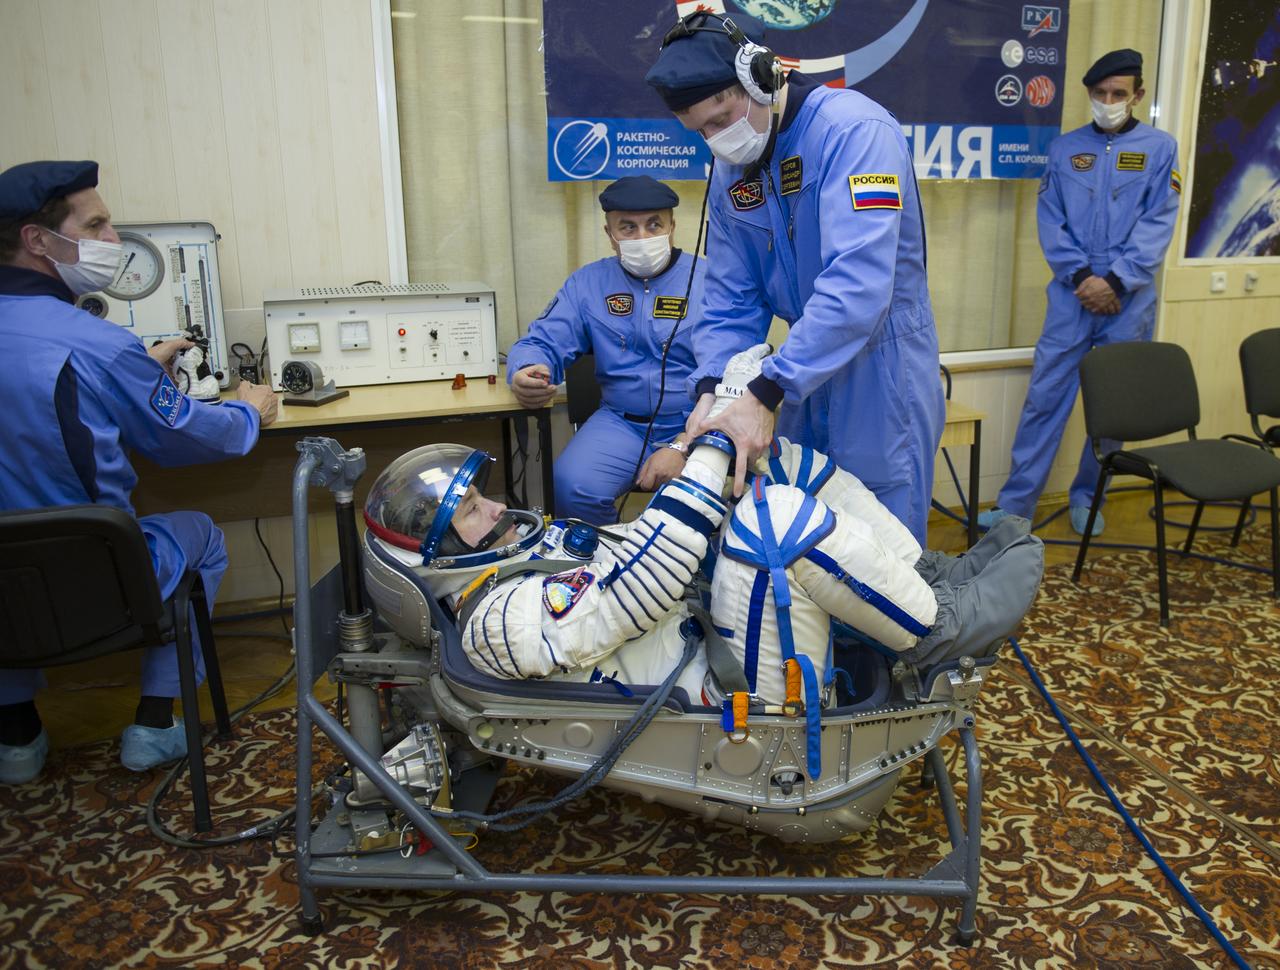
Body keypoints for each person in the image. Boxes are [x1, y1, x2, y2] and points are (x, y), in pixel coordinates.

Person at [365, 347, 1043, 761]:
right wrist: (712, 444)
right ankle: (936, 632)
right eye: (470, 516)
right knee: (772, 525)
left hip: (709, 635)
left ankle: (923, 579)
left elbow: (644, 558)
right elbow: (645, 581)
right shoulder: (498, 621)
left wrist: (727, 427)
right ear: (438, 560)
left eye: (478, 497)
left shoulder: (516, 561)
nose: (492, 507)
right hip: (728, 702)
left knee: (778, 465)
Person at [0, 160, 279, 785]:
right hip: (99, 590)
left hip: (10, 597)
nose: (112, 240)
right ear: (37, 240)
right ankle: (154, 724)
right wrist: (246, 411)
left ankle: (15, 737)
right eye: (96, 224)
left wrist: (136, 373)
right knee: (200, 532)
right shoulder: (96, 344)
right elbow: (185, 437)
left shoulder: (98, 350)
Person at [642, 12, 946, 546]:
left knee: (883, 544)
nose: (717, 141)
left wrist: (766, 390)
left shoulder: (855, 133)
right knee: (808, 532)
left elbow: (858, 284)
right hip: (803, 369)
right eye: (701, 132)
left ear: (761, 77)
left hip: (880, 366)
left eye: (722, 118)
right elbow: (732, 301)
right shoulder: (734, 171)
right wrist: (716, 388)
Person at [979, 50, 1181, 537]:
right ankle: (1015, 506)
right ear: (1089, 93)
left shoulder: (1161, 149)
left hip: (1127, 302)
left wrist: (1114, 281)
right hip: (1071, 299)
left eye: (1118, 94)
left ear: (1138, 95)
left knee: (1112, 406)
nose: (1108, 102)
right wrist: (1081, 279)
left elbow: (1159, 222)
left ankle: (1089, 496)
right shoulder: (1065, 149)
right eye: (1099, 93)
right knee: (1045, 399)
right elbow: (1051, 220)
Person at [507, 176, 706, 524]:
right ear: (609, 233)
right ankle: (604, 569)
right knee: (571, 485)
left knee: (694, 506)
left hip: (696, 423)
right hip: (621, 424)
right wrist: (527, 369)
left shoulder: (710, 281)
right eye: (627, 227)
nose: (642, 238)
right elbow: (543, 340)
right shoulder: (588, 284)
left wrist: (681, 444)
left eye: (654, 224)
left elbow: (734, 372)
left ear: (673, 226)